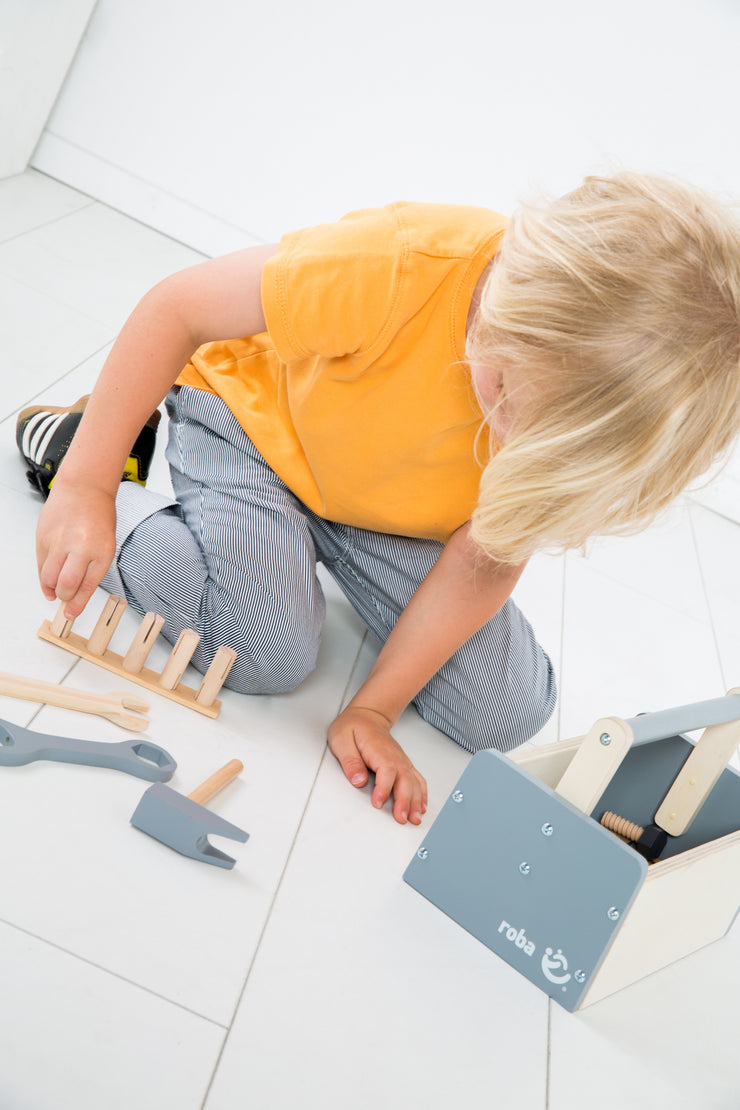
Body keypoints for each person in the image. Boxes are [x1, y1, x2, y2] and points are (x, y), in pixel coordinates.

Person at [16, 173, 740, 827]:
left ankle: (291, 547)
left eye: (538, 437)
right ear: (513, 298)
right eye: (505, 395)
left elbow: (486, 555)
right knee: (269, 651)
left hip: (379, 509)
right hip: (254, 429)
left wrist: (374, 708)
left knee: (509, 709)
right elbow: (178, 309)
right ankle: (89, 452)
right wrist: (89, 486)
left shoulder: (571, 442)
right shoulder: (401, 263)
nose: (508, 434)